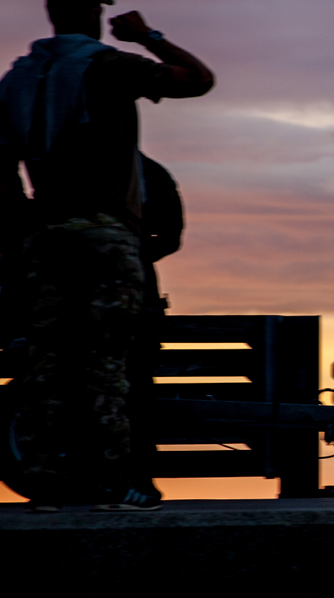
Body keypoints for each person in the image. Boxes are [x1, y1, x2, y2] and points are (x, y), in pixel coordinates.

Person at [0, 0, 213, 512]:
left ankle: (45, 479)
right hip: (107, 234)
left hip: (47, 237)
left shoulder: (14, 81)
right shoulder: (109, 67)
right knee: (105, 362)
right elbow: (199, 80)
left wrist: (14, 239)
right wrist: (148, 36)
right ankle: (112, 481)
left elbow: (0, 175)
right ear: (91, 14)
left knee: (46, 363)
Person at [125, 152, 185, 498]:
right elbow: (172, 237)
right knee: (139, 388)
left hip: (108, 296)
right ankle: (139, 475)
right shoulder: (152, 173)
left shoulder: (73, 164)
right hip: (139, 294)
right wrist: (136, 254)